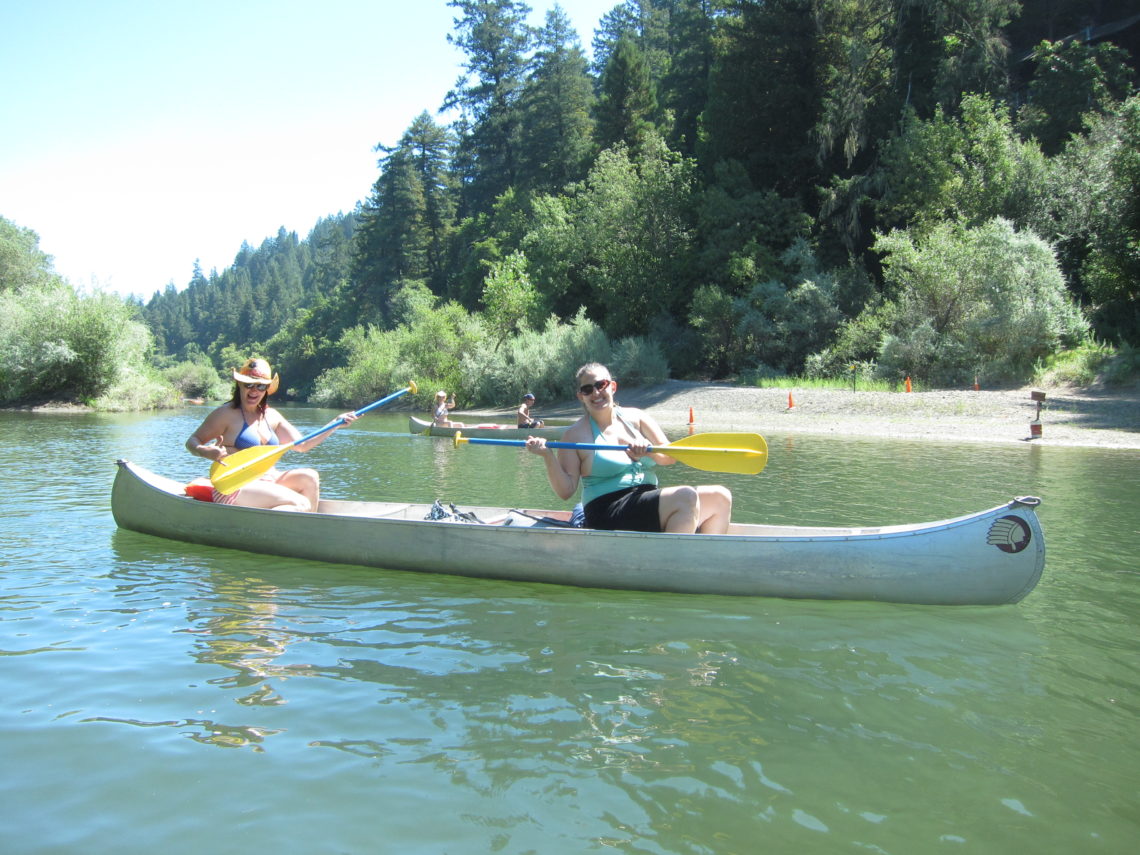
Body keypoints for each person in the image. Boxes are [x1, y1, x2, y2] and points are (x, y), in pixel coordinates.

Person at [525, 362, 732, 533]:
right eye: (587, 389)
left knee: (720, 497)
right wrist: (547, 455)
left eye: (601, 384)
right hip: (607, 510)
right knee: (685, 497)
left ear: (612, 387)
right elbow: (565, 491)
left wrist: (649, 449)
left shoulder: (637, 417)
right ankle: (672, 568)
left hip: (644, 499)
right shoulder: (574, 435)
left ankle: (703, 561)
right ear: (581, 396)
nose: (596, 393)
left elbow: (669, 458)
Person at [185, 357, 358, 511]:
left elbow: (303, 445)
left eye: (260, 386)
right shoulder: (226, 414)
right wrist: (205, 451)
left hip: (268, 481)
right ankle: (280, 529)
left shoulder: (272, 415)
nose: (254, 390)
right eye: (249, 384)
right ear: (240, 385)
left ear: (267, 388)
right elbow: (192, 441)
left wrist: (335, 423)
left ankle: (305, 530)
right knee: (299, 503)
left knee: (309, 477)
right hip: (235, 486)